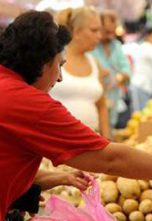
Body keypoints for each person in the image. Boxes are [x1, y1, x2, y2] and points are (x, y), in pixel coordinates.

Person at [0, 10, 152, 221]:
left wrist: (51, 179)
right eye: (59, 65)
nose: (60, 78)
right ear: (44, 62)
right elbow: (112, 160)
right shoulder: (27, 103)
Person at [50, 7, 111, 139]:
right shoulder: (52, 60)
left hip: (91, 140)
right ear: (76, 32)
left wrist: (107, 138)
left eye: (100, 30)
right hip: (56, 141)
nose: (99, 36)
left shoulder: (95, 63)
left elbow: (102, 106)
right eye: (94, 30)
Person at [92, 10, 132, 129]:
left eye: (113, 32)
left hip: (113, 96)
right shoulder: (91, 46)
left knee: (110, 127)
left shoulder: (116, 45)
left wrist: (121, 76)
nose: (111, 35)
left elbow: (126, 67)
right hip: (96, 97)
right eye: (107, 31)